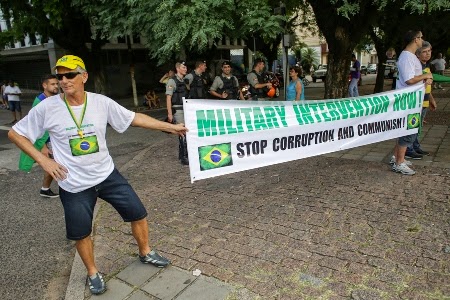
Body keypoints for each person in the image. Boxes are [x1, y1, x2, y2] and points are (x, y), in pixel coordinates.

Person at [8, 55, 187, 296]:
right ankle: (92, 273)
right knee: (81, 232)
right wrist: (43, 159)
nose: (63, 80)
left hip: (107, 175)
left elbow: (134, 119)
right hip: (73, 183)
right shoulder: (47, 108)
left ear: (84, 76)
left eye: (69, 75)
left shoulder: (100, 102)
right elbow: (16, 134)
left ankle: (145, 252)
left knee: (138, 213)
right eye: (60, 76)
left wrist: (171, 127)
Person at [391, 30, 433, 175]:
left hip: (413, 100)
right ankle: (399, 162)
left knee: (405, 130)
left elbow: (414, 77)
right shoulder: (407, 57)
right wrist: (426, 75)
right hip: (408, 100)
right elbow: (409, 80)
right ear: (415, 40)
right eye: (421, 38)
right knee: (408, 131)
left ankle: (397, 158)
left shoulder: (410, 57)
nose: (422, 40)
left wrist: (424, 78)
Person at [18, 74, 60, 198]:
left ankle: (45, 189)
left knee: (54, 163)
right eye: (53, 84)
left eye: (56, 84)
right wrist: (43, 147)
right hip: (47, 140)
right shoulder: (40, 102)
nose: (56, 86)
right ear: (44, 85)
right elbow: (36, 127)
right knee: (54, 163)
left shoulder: (54, 98)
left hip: (54, 137)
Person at [404, 41, 436, 159]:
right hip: (416, 102)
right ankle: (408, 149)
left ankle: (415, 146)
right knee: (412, 125)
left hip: (425, 101)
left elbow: (427, 85)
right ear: (417, 54)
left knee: (419, 127)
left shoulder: (426, 66)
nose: (427, 54)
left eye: (429, 51)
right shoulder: (416, 66)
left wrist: (431, 99)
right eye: (424, 52)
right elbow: (414, 81)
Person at [166, 61, 189, 165]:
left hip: (186, 109)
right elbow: (168, 98)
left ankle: (183, 155)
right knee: (182, 132)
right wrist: (170, 114)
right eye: (183, 67)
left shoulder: (184, 80)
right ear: (178, 69)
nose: (185, 69)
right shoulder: (172, 81)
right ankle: (184, 157)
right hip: (178, 110)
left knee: (185, 131)